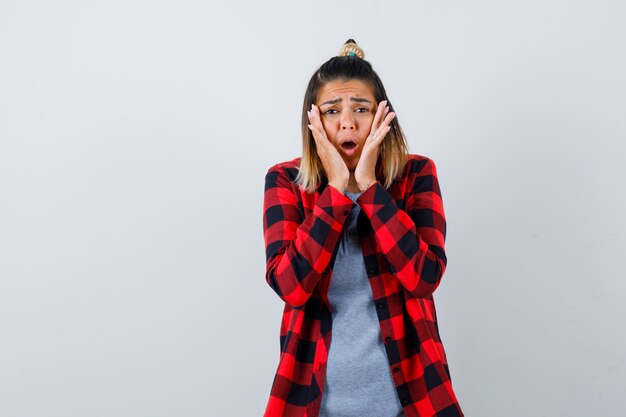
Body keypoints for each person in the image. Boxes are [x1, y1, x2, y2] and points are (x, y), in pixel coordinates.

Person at [262, 39, 464, 417]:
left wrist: (370, 188)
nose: (347, 122)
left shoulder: (416, 175)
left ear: (382, 116)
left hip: (412, 401)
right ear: (314, 121)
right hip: (312, 401)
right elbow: (290, 286)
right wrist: (336, 190)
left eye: (361, 108)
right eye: (332, 110)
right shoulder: (285, 181)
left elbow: (424, 277)